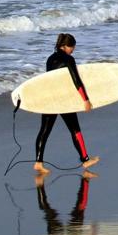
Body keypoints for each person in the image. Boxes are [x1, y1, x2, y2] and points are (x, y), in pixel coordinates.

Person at [34, 33, 100, 174]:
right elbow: (76, 81)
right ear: (64, 46)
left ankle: (38, 162)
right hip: (62, 100)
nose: (73, 50)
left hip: (49, 99)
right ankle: (85, 159)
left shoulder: (50, 59)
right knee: (75, 130)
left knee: (44, 131)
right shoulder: (68, 59)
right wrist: (86, 100)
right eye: (71, 47)